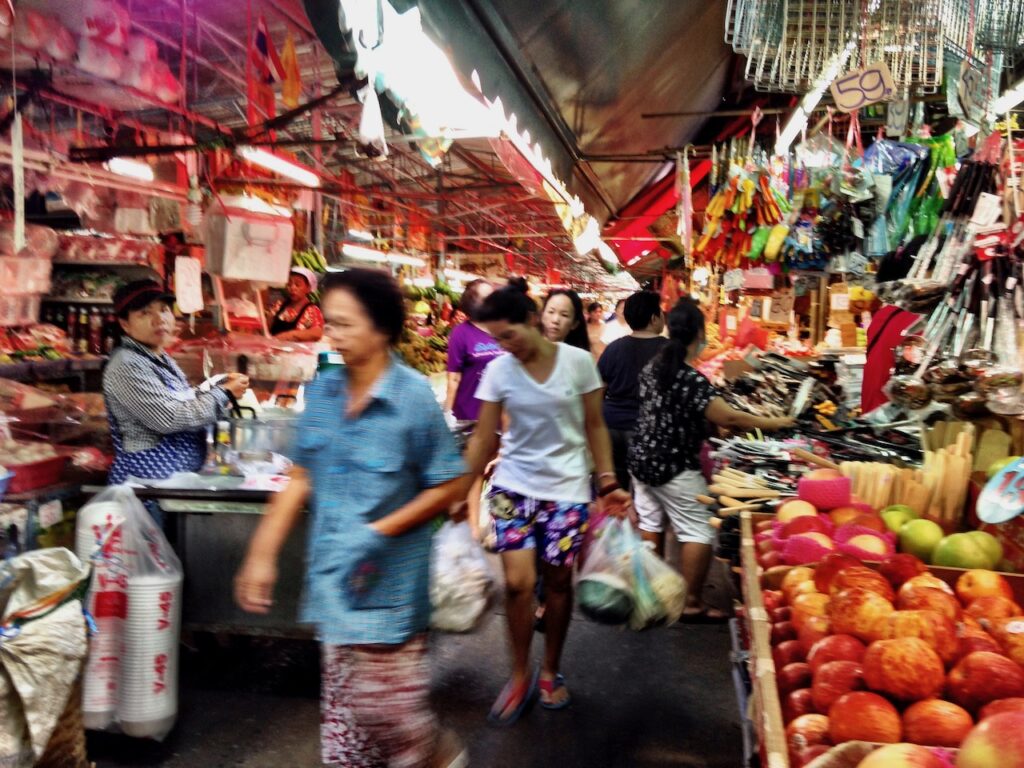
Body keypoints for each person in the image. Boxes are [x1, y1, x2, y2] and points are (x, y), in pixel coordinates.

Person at [235, 268, 468, 768]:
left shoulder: (411, 398)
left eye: (344, 324)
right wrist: (261, 554)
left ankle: (437, 756)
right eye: (331, 323)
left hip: (391, 593)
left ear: (381, 329)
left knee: (394, 722)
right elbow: (300, 477)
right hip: (335, 585)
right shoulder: (323, 393)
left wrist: (377, 532)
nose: (332, 334)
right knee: (346, 737)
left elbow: (451, 483)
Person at [464, 285, 633, 724]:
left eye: (510, 334)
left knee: (558, 585)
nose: (506, 346)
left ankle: (550, 669)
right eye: (498, 339)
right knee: (518, 584)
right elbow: (484, 437)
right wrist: (458, 489)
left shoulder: (577, 363)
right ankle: (518, 673)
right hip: (510, 490)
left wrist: (607, 478)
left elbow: (595, 425)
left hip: (568, 491)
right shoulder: (499, 370)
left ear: (531, 317)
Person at [628, 298, 794, 620]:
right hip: (672, 464)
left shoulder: (656, 366)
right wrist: (778, 423)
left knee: (651, 523)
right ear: (698, 334)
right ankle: (689, 602)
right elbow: (730, 418)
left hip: (642, 459)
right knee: (698, 530)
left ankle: (650, 593)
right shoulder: (690, 379)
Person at [103, 280, 248, 497]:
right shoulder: (126, 363)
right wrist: (223, 393)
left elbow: (182, 401)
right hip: (146, 490)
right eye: (145, 313)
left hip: (171, 486)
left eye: (164, 310)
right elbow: (169, 417)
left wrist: (218, 385)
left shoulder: (159, 358)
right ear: (125, 324)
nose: (159, 319)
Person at [597, 291, 668, 490]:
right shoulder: (669, 350)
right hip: (646, 429)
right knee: (643, 489)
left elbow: (599, 389)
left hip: (611, 426)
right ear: (654, 318)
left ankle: (619, 519)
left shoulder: (614, 348)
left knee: (617, 485)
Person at [444, 279, 500, 422]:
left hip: (500, 417)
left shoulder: (502, 331)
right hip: (469, 417)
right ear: (474, 303)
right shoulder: (460, 334)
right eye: (489, 297)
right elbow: (454, 379)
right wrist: (446, 415)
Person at [267, 267, 325, 342]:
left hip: (298, 353)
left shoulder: (312, 311)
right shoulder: (279, 305)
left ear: (308, 288)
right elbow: (266, 328)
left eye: (297, 284)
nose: (292, 288)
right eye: (289, 284)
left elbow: (317, 333)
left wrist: (291, 334)